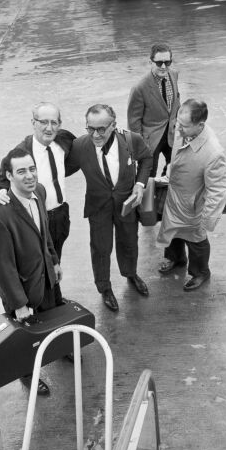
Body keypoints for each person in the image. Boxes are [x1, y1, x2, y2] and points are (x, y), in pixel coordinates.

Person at [0, 147, 62, 395]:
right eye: (21, 171)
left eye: (32, 169)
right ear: (8, 176)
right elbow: (3, 266)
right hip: (23, 289)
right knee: (25, 339)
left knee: (53, 319)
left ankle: (59, 350)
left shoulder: (38, 192)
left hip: (47, 278)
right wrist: (19, 303)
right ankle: (28, 375)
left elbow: (44, 233)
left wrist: (54, 260)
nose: (29, 175)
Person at [0, 102, 77, 305]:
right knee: (35, 267)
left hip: (60, 214)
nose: (49, 128)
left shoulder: (64, 140)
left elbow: (72, 160)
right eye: (43, 122)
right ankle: (33, 304)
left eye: (54, 122)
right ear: (33, 123)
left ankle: (54, 297)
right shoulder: (21, 153)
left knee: (54, 260)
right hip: (34, 219)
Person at [66, 104, 152, 312]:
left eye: (101, 129)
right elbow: (58, 167)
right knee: (101, 248)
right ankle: (104, 287)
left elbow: (147, 158)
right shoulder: (80, 146)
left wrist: (140, 185)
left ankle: (130, 274)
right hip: (98, 207)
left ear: (114, 125)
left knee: (129, 242)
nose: (96, 134)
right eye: (90, 128)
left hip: (126, 205)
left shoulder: (131, 140)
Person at [157, 99, 226, 291]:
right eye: (177, 124)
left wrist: (208, 218)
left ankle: (201, 272)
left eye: (184, 126)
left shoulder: (213, 153)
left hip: (193, 204)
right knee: (172, 230)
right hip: (175, 195)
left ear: (200, 125)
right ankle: (176, 258)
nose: (178, 130)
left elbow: (218, 189)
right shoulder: (185, 130)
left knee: (196, 239)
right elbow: (179, 155)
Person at [127, 43, 180, 177]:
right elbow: (133, 122)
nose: (163, 66)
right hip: (150, 140)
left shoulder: (174, 74)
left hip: (172, 134)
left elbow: (176, 101)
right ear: (150, 62)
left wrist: (180, 126)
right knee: (147, 177)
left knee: (175, 170)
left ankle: (164, 192)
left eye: (167, 62)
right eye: (159, 63)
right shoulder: (139, 87)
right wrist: (140, 146)